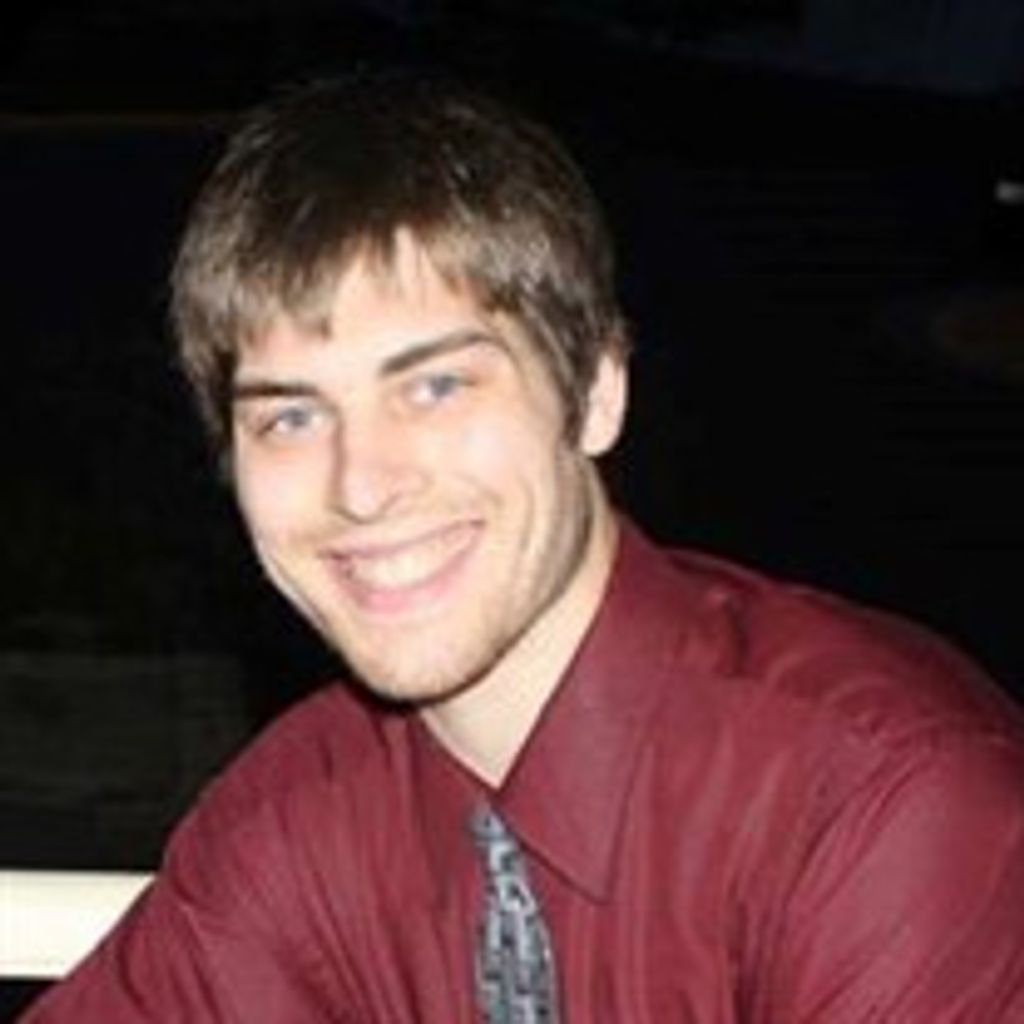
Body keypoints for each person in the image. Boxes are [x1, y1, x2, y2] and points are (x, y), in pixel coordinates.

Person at [23, 69, 1024, 1022]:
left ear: (595, 391)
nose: (360, 484)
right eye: (290, 417)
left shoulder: (877, 805)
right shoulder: (293, 823)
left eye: (436, 386)